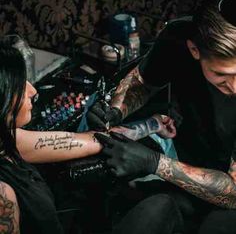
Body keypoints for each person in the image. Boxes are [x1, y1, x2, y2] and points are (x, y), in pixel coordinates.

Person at [89, 0, 236, 233]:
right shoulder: (178, 35)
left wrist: (154, 163)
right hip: (194, 161)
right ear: (194, 50)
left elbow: (233, 193)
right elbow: (143, 81)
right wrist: (116, 109)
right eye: (223, 75)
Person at [0, 39, 177, 233]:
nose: (33, 91)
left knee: (163, 205)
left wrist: (151, 124)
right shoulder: (3, 195)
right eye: (18, 86)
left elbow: (96, 140)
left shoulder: (12, 138)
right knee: (162, 207)